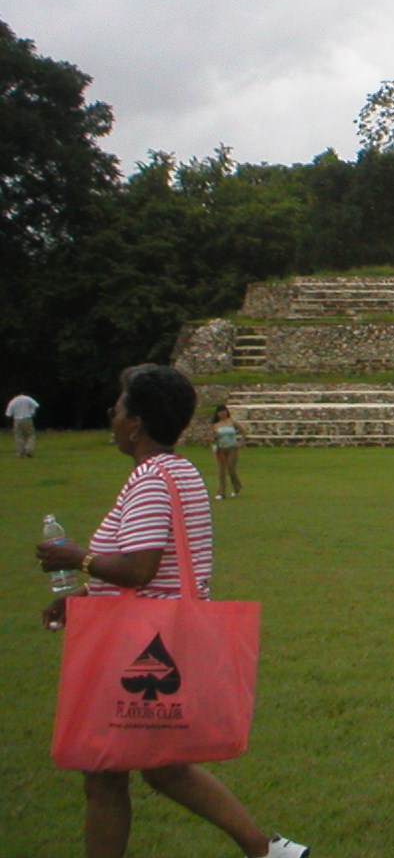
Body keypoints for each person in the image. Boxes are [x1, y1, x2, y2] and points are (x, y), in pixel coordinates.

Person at [35, 365, 307, 858]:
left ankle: (266, 851)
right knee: (162, 765)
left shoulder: (151, 480)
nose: (111, 416)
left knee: (104, 771)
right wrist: (79, 597)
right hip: (159, 637)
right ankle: (268, 852)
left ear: (136, 423)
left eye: (118, 408)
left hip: (139, 649)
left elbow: (140, 569)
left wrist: (76, 559)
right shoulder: (180, 470)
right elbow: (157, 571)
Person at [211, 405, 244, 499]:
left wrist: (240, 442)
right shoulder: (215, 425)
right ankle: (221, 492)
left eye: (224, 411)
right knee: (221, 471)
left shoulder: (232, 422)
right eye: (220, 412)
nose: (222, 414)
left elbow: (243, 431)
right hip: (221, 448)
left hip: (232, 448)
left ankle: (237, 486)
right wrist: (214, 440)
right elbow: (212, 437)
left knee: (231, 469)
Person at [8, 390, 39, 457]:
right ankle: (29, 449)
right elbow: (36, 405)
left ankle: (20, 452)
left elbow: (8, 413)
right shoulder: (27, 398)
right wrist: (32, 412)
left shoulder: (13, 401)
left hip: (17, 419)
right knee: (30, 434)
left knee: (18, 436)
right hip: (27, 418)